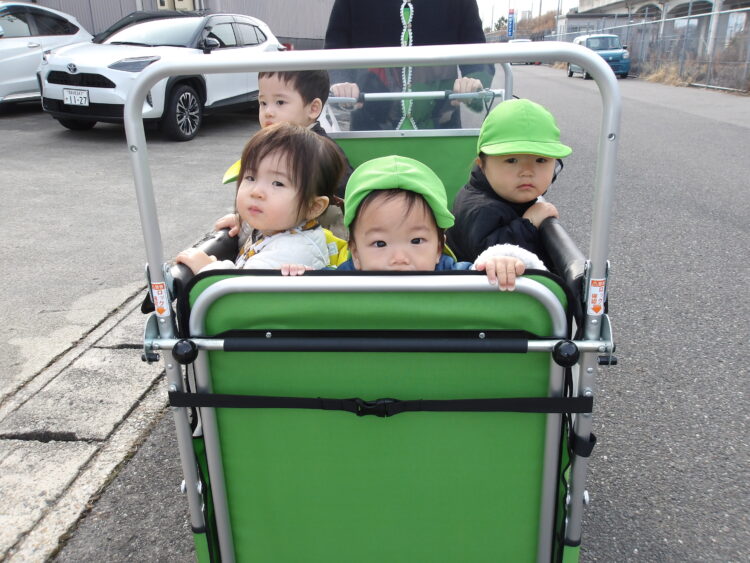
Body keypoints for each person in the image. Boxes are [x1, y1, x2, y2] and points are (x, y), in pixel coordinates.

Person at [282, 155, 546, 290]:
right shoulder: (346, 278)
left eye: (417, 240)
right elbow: (316, 289)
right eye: (380, 243)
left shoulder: (452, 276)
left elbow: (480, 271)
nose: (399, 258)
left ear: (439, 248)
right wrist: (300, 276)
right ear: (356, 254)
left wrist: (500, 264)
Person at [176, 123, 345, 274]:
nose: (256, 191)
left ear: (313, 207)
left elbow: (241, 291)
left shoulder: (292, 253)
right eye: (250, 177)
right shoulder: (277, 225)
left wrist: (208, 269)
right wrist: (243, 223)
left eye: (278, 183)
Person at [216, 69, 353, 238]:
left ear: (313, 108)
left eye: (280, 102)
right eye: (263, 103)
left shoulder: (318, 153)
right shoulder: (273, 145)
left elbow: (343, 202)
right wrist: (245, 218)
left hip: (316, 235)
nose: (268, 112)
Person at [324, 0, 495, 131]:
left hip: (439, 130)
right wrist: (341, 84)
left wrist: (474, 82)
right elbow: (336, 49)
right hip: (371, 130)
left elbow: (477, 53)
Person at [446, 99, 572, 266]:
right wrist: (528, 224)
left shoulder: (503, 194)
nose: (527, 171)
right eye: (512, 160)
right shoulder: (481, 209)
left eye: (541, 160)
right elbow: (489, 255)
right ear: (482, 165)